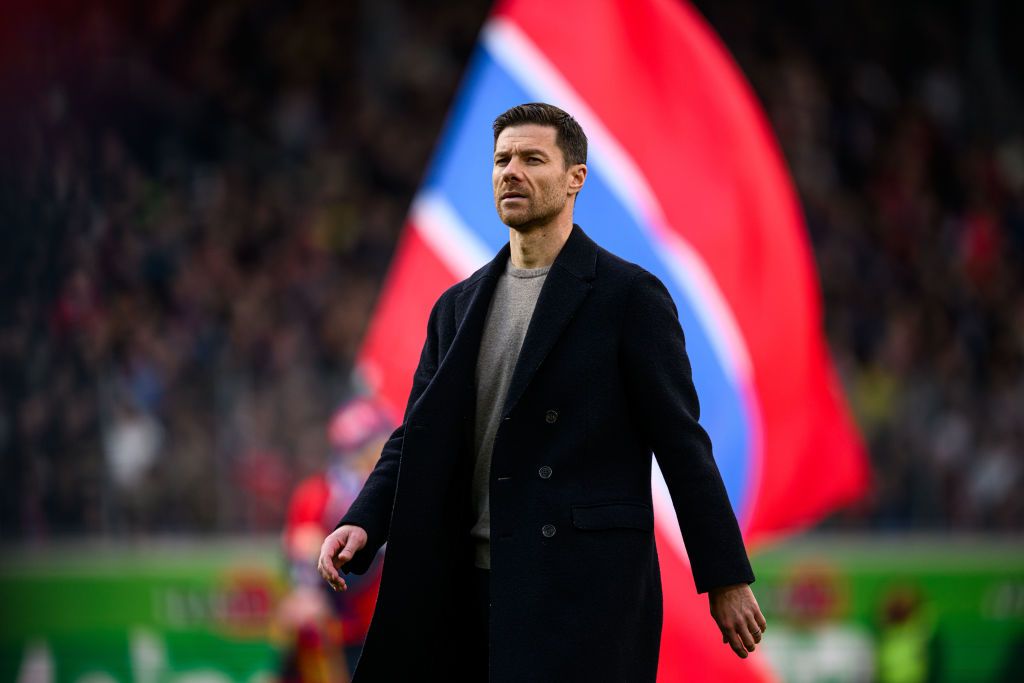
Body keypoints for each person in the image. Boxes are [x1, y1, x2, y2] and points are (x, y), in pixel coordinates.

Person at [317, 102, 767, 681]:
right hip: (468, 587)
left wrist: (725, 576)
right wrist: (366, 517)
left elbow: (682, 444)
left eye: (532, 158)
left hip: (582, 594)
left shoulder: (630, 297)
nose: (511, 171)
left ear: (576, 177)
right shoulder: (456, 307)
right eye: (502, 160)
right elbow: (416, 435)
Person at [279, 395, 393, 681]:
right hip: (336, 634)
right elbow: (302, 554)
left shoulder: (399, 493)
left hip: (383, 627)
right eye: (376, 446)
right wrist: (306, 589)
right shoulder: (318, 495)